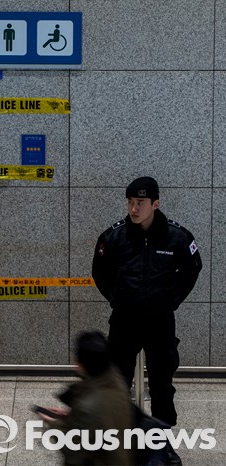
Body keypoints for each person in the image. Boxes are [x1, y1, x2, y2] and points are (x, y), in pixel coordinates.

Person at [92, 176, 202, 465]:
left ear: (155, 204)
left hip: (160, 322)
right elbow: (100, 271)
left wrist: (171, 299)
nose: (133, 208)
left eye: (140, 203)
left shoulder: (177, 237)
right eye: (130, 202)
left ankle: (161, 444)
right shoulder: (114, 237)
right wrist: (117, 298)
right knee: (118, 384)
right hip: (124, 320)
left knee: (162, 385)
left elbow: (192, 269)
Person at [36, 331, 134, 465]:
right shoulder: (116, 381)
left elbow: (73, 450)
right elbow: (104, 418)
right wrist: (72, 416)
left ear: (81, 364)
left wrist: (54, 424)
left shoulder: (88, 407)